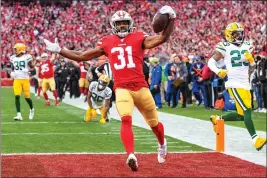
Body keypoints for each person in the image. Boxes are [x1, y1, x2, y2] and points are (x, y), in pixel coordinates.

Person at [44, 6, 176, 171]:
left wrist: (172, 18)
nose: (121, 26)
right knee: (126, 119)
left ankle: (162, 143)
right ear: (114, 25)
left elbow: (163, 38)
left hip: (141, 88)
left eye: (124, 23)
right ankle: (131, 154)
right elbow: (82, 55)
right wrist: (60, 50)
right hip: (122, 89)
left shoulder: (139, 36)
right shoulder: (107, 41)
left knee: (154, 125)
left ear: (130, 24)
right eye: (118, 23)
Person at [208, 22, 266, 151]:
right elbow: (211, 61)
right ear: (229, 35)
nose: (239, 36)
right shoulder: (224, 46)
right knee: (246, 111)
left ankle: (218, 119)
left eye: (240, 33)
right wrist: (218, 71)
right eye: (235, 34)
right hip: (233, 83)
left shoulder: (247, 45)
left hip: (245, 83)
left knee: (242, 115)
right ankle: (256, 139)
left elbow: (252, 68)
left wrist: (252, 62)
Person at [10, 43, 34, 121]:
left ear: (20, 49)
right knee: (17, 96)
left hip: (25, 79)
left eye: (16, 49)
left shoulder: (27, 57)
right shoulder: (12, 58)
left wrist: (28, 70)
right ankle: (19, 115)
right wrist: (12, 73)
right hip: (17, 79)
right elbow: (12, 68)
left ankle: (32, 109)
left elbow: (32, 68)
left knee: (27, 97)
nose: (14, 50)